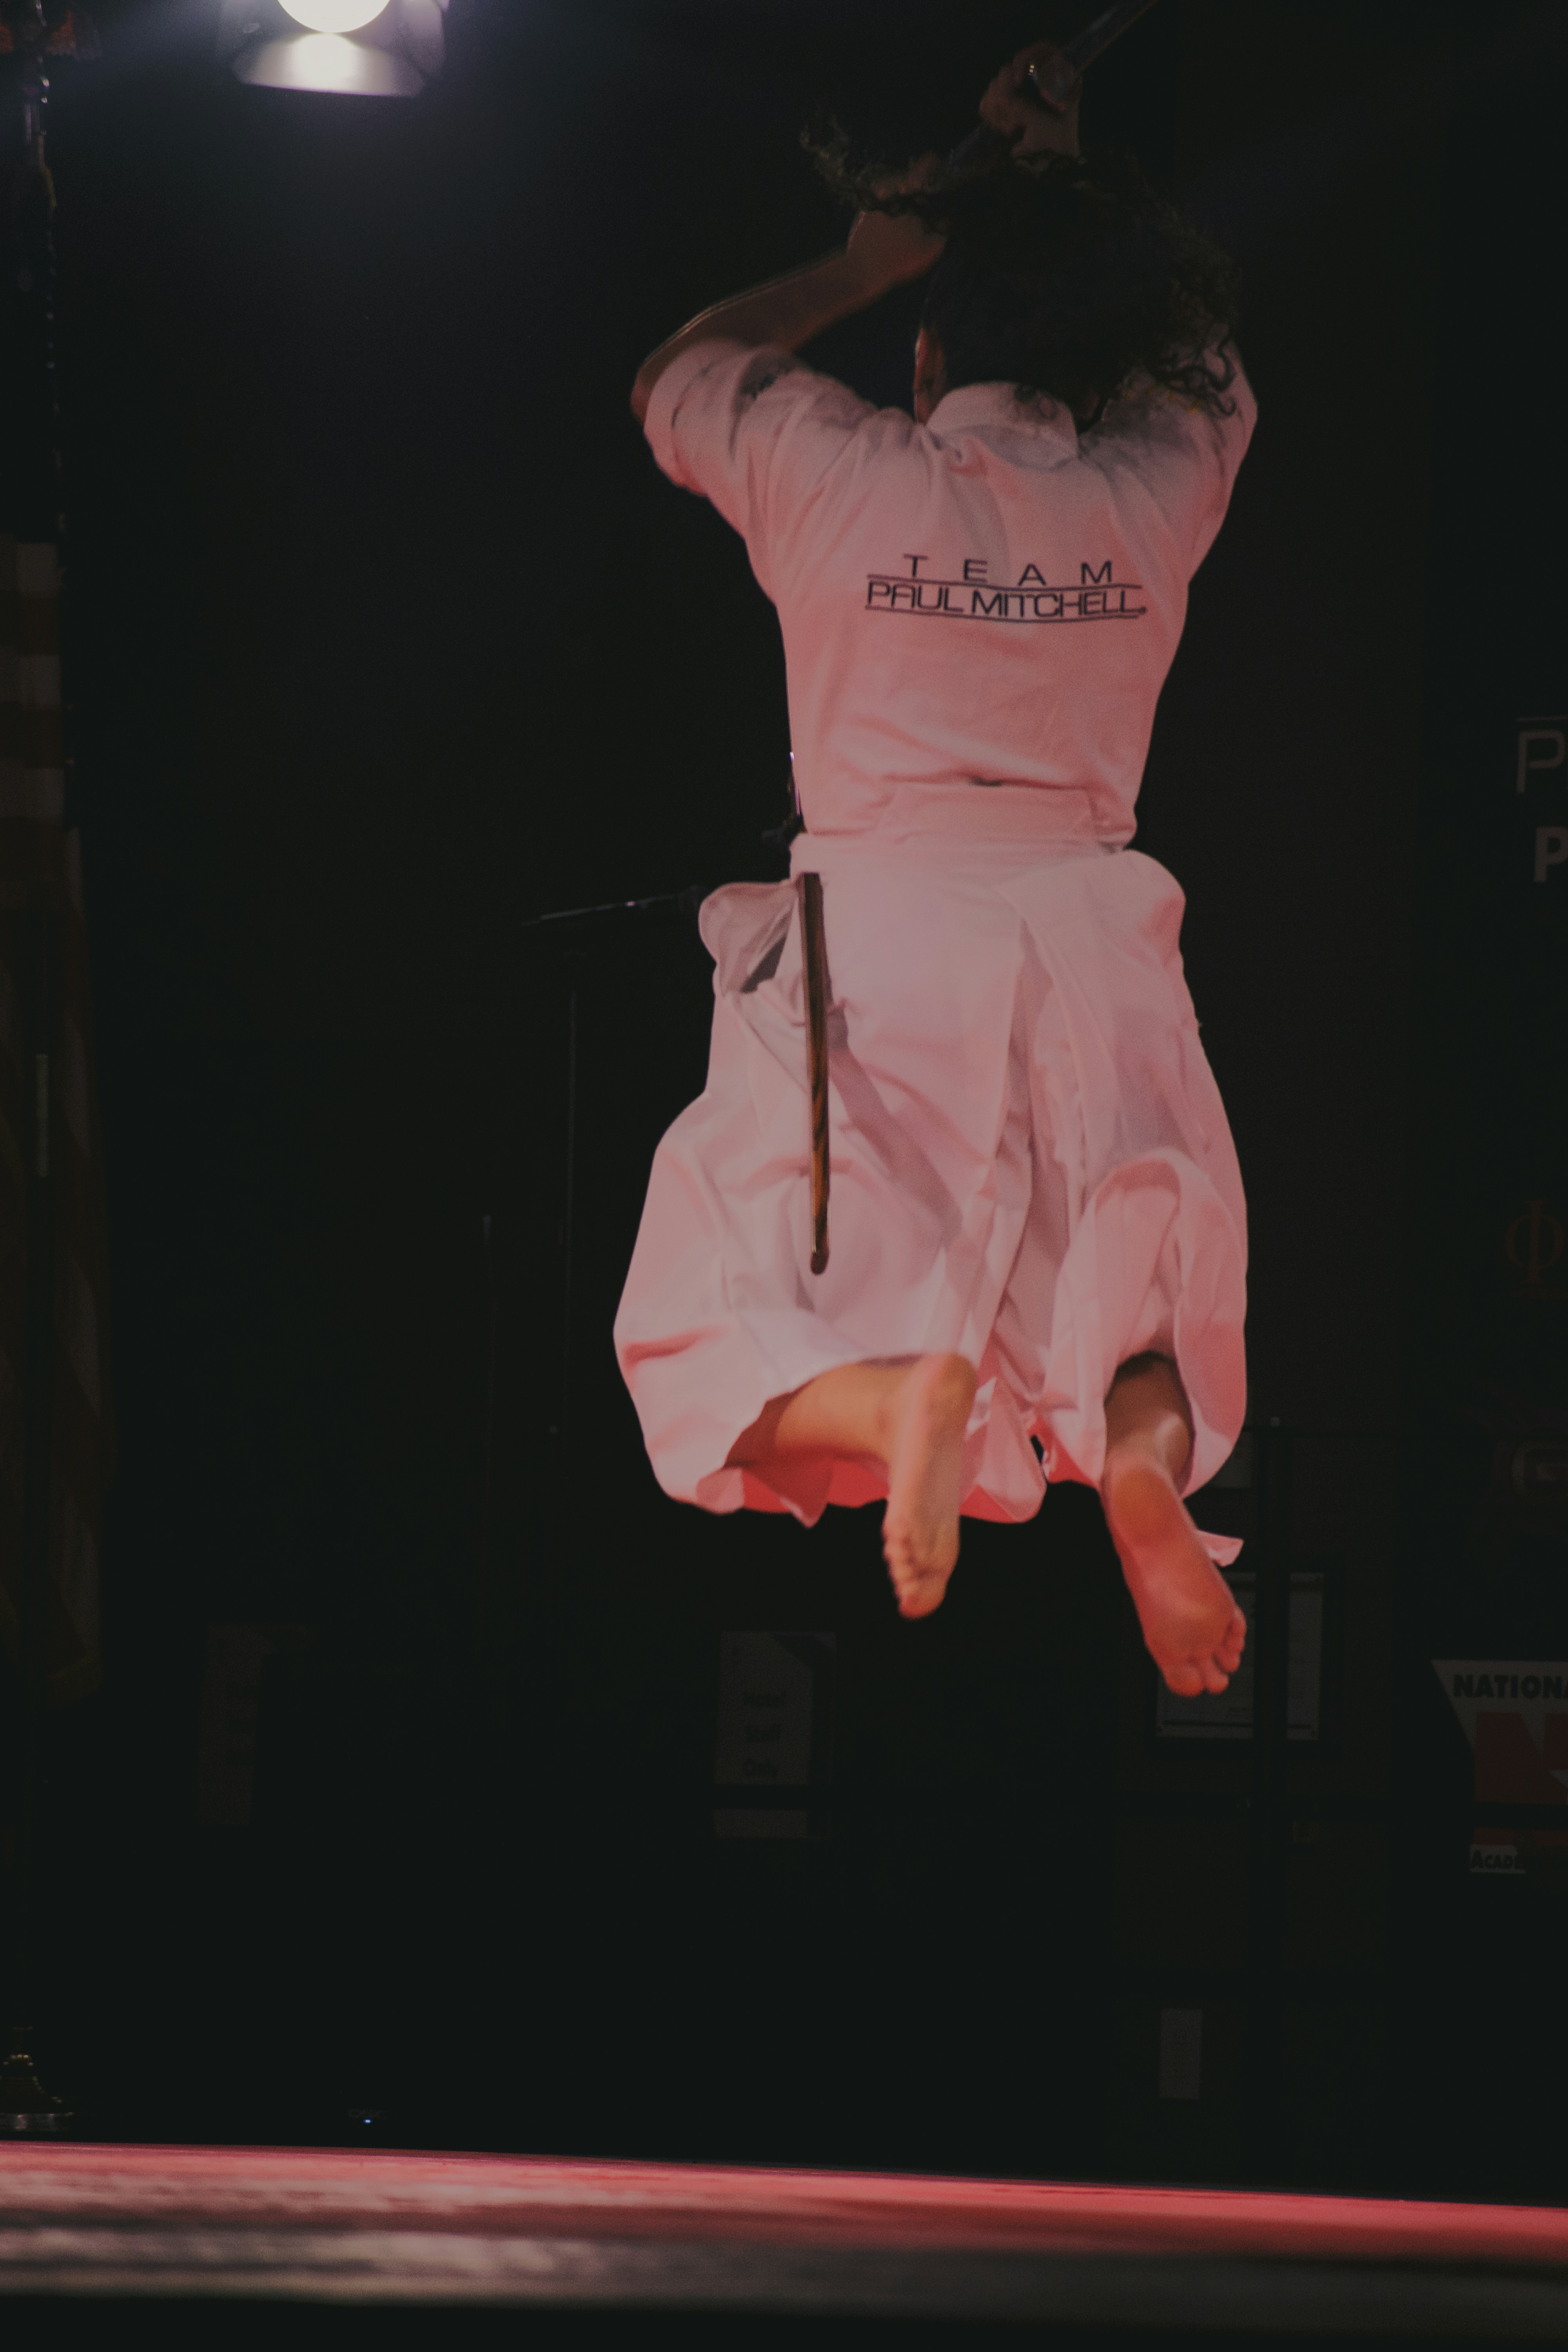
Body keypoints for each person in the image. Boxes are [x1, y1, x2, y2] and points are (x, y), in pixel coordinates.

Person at [614, 43, 1252, 1698]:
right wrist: (1066, 168)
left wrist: (867, 256)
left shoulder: (836, 469)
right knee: (1136, 1292)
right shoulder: (1145, 492)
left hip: (880, 939)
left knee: (717, 1322)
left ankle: (897, 1394)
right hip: (1088, 929)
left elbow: (680, 376)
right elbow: (1208, 372)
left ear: (921, 359)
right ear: (1096, 367)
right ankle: (1137, 1473)